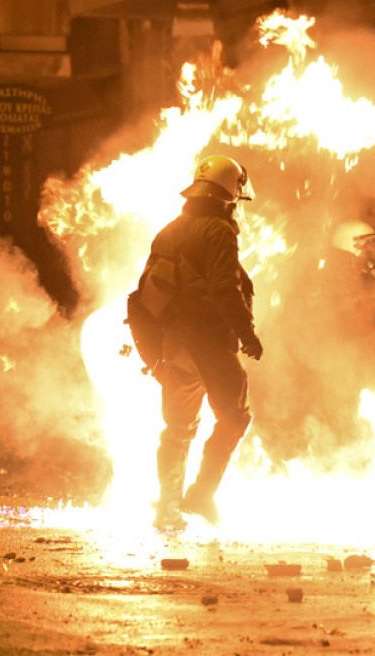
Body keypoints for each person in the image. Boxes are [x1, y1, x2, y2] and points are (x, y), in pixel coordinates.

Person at [137, 155, 261, 530]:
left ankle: (167, 509)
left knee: (177, 427)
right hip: (209, 341)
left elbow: (147, 292)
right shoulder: (219, 231)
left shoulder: (170, 229)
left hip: (174, 345)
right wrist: (246, 333)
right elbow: (226, 288)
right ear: (229, 194)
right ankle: (201, 495)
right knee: (234, 417)